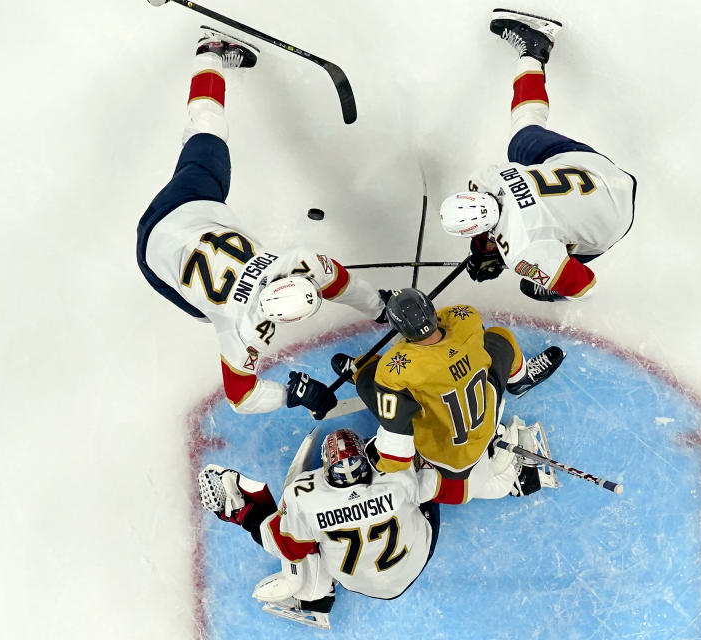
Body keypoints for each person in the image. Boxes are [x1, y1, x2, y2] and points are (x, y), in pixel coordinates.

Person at [135, 27, 384, 417]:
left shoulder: (246, 325)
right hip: (157, 255)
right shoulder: (247, 321)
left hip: (188, 209)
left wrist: (294, 394)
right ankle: (210, 52)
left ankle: (209, 55)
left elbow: (244, 395)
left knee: (207, 130)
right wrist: (378, 306)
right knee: (204, 310)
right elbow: (242, 400)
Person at [438, 9, 637, 303]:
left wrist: (511, 262)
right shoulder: (485, 179)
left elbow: (587, 289)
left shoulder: (523, 251)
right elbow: (510, 218)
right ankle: (533, 50)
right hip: (595, 171)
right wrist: (491, 250)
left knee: (532, 286)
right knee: (523, 135)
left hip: (614, 221)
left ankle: (551, 281)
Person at [333, 288, 564, 504]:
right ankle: (520, 378)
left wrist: (380, 467)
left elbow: (396, 456)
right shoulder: (466, 319)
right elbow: (449, 319)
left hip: (446, 461)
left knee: (378, 385)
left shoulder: (394, 369)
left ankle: (359, 369)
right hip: (485, 422)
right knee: (501, 337)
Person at [197, 428, 441, 629]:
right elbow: (437, 483)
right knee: (422, 475)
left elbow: (282, 546)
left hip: (357, 582)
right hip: (414, 561)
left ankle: (316, 597)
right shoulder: (398, 478)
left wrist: (245, 515)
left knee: (300, 533)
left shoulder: (307, 499)